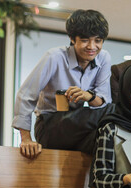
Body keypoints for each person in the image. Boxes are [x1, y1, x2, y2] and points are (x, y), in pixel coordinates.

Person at [12, 9, 112, 159]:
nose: (92, 46)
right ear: (72, 38)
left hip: (77, 126)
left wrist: (88, 96)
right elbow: (25, 95)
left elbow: (102, 102)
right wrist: (26, 139)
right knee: (114, 112)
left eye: (97, 41)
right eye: (85, 40)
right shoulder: (55, 57)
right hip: (49, 125)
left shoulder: (103, 58)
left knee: (105, 138)